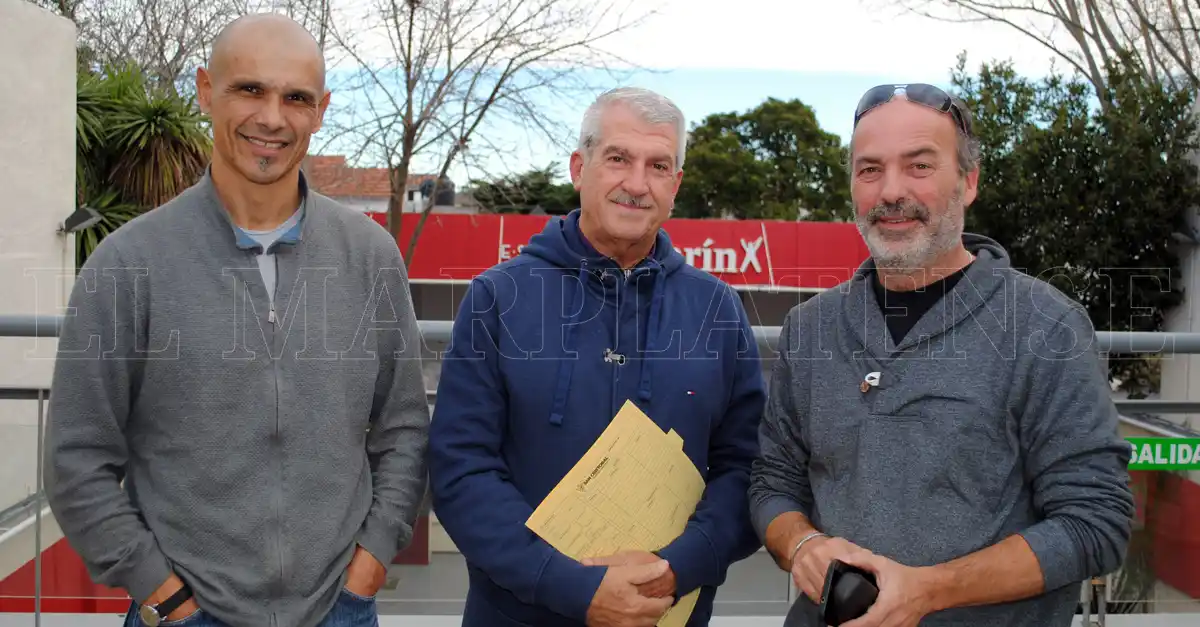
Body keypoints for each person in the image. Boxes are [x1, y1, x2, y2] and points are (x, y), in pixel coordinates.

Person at [43, 13, 430, 627]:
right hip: (183, 615)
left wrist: (373, 558)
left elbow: (404, 428)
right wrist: (161, 593)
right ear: (204, 90)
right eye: (249, 89)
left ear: (321, 109)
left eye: (296, 98)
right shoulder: (130, 263)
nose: (272, 118)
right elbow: (76, 459)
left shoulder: (370, 257)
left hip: (340, 610)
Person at [748, 84, 1136, 627]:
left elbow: (1096, 522)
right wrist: (803, 544)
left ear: (968, 181)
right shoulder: (809, 327)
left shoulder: (1047, 326)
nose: (891, 191)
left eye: (920, 166)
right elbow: (772, 480)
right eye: (869, 170)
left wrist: (928, 591)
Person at [428, 87, 767, 627]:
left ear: (675, 185)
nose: (637, 184)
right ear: (578, 167)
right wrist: (574, 586)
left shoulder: (716, 308)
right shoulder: (497, 296)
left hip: (664, 610)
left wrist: (676, 568)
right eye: (618, 159)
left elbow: (747, 467)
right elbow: (461, 469)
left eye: (659, 165)